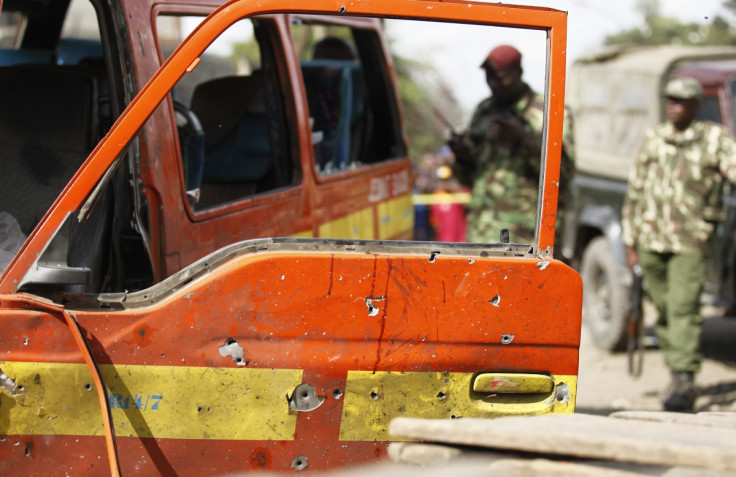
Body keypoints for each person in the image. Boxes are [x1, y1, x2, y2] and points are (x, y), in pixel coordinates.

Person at [621, 76, 736, 412]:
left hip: (691, 240)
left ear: (696, 105)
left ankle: (684, 379)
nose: (673, 106)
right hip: (650, 239)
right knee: (664, 307)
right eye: (670, 100)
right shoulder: (655, 138)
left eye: (681, 101)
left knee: (684, 306)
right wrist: (630, 242)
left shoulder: (713, 139)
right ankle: (677, 368)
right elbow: (635, 190)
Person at [448, 44, 573, 245]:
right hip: (482, 232)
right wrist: (463, 157)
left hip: (527, 237)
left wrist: (523, 140)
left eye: (501, 77)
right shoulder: (484, 111)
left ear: (519, 72)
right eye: (489, 77)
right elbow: (470, 178)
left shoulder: (548, 112)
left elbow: (563, 174)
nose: (494, 84)